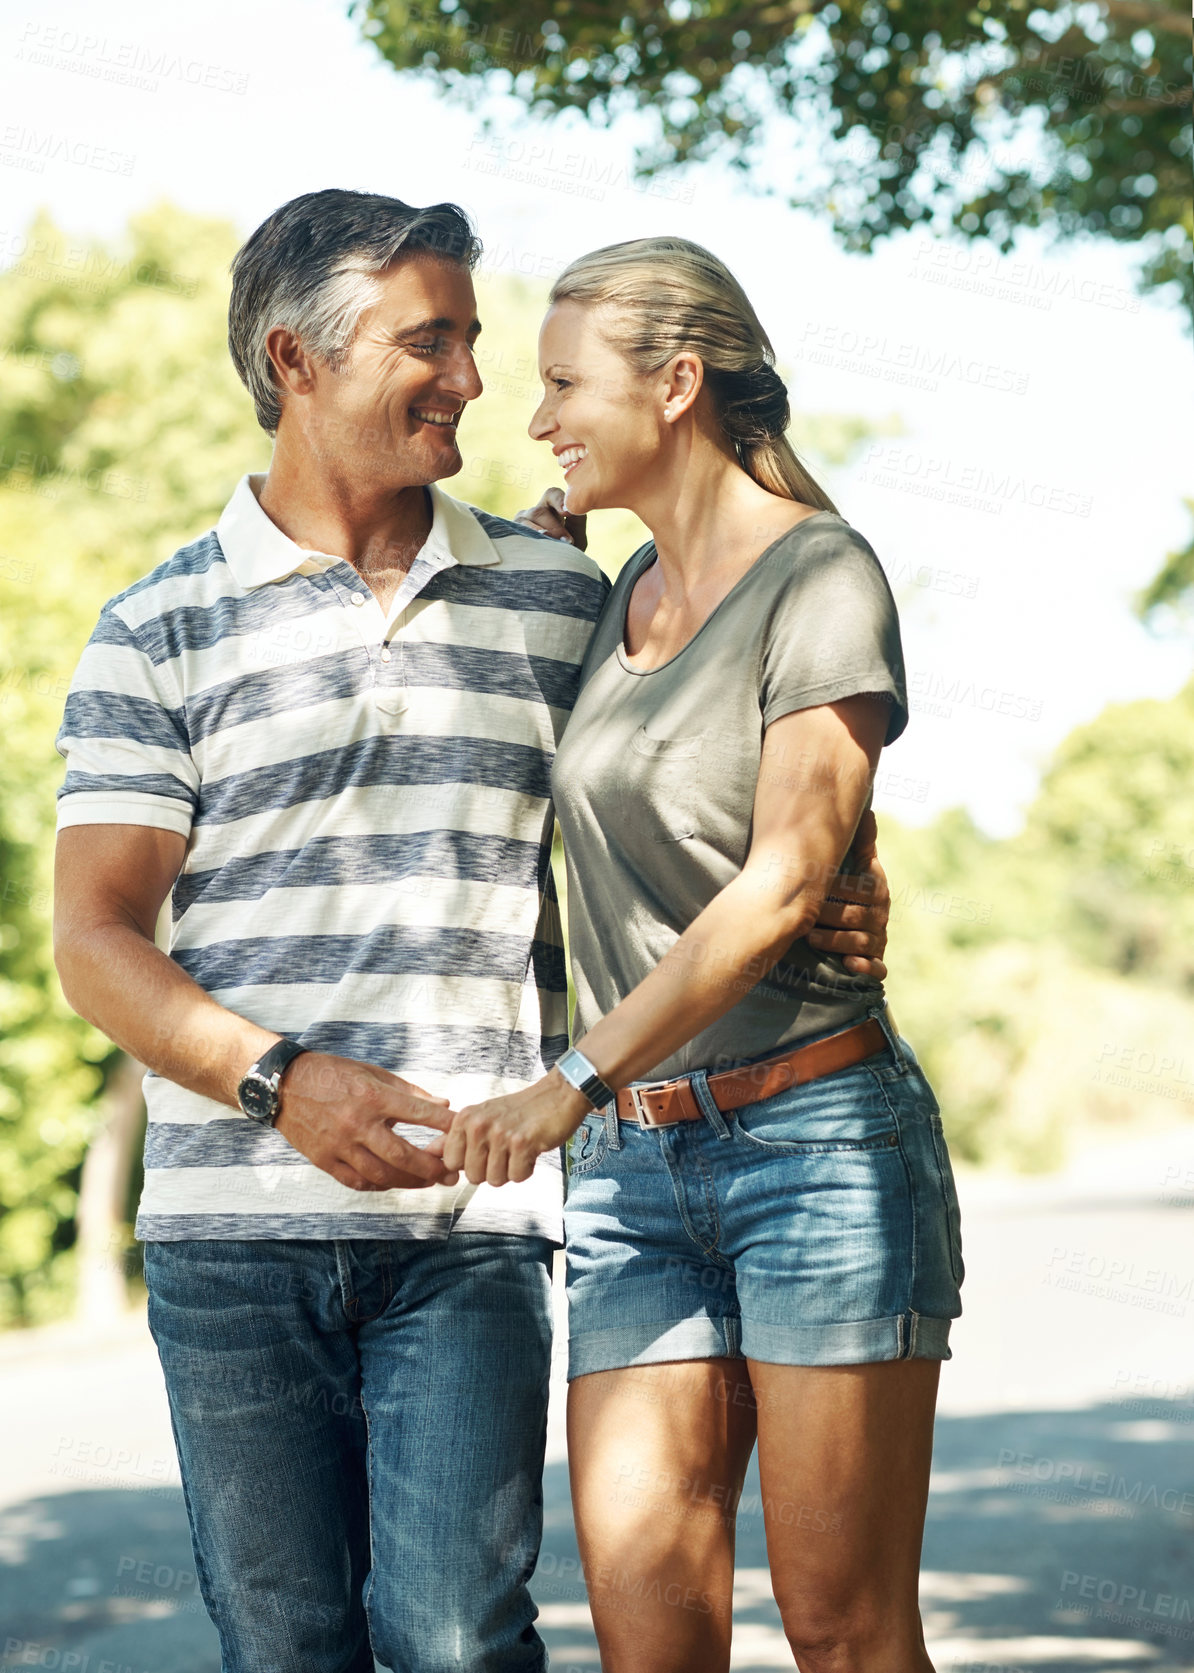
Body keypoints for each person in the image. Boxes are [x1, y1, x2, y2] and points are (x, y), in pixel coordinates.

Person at [51, 194, 892, 1673]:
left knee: (454, 1637)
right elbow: (94, 938)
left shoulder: (560, 593)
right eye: (426, 341)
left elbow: (712, 739)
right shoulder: (156, 626)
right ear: (292, 359)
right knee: (285, 1643)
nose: (474, 383)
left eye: (478, 342)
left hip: (472, 1227)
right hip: (232, 1234)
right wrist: (279, 1075)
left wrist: (838, 867)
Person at [443, 237, 965, 1673]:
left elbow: (787, 875)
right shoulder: (601, 593)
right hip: (633, 1180)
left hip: (815, 1148)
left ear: (676, 383)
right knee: (646, 1635)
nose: (536, 417)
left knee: (842, 1627)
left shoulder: (820, 576)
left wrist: (570, 1072)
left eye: (563, 384)